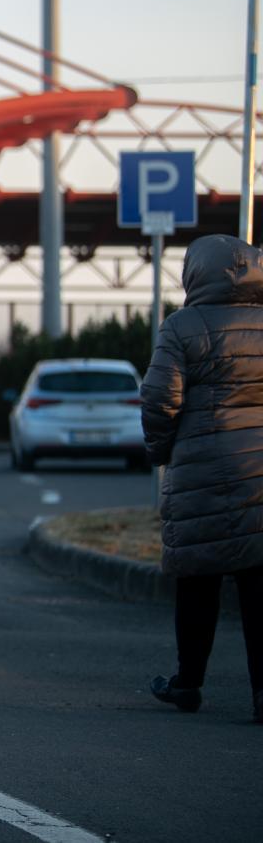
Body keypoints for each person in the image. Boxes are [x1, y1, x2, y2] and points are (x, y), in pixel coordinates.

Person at [140, 233, 263, 724]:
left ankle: (188, 683)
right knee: (258, 587)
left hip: (200, 470)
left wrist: (160, 451)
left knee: (197, 583)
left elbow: (158, 399)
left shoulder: (182, 327)